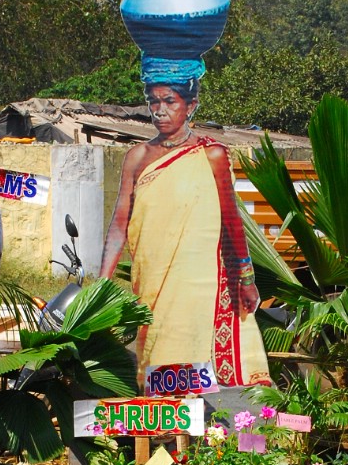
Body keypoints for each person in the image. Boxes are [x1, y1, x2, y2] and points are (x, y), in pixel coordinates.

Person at [99, 78, 270, 387]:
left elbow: (231, 219)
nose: (159, 110)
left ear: (191, 107)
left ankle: (215, 428)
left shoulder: (212, 155)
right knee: (156, 348)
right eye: (153, 101)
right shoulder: (136, 158)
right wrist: (102, 281)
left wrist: (246, 278)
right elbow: (119, 223)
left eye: (169, 102)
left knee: (192, 350)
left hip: (200, 281)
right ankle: (167, 429)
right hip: (151, 280)